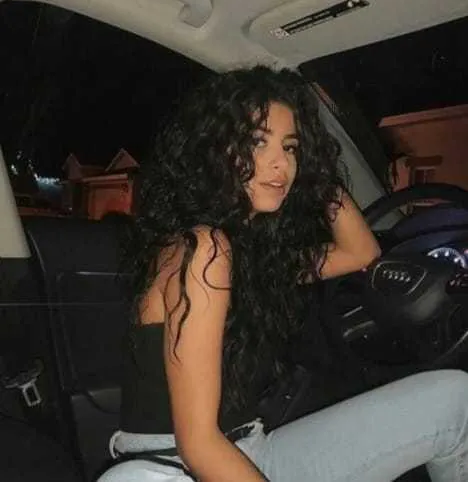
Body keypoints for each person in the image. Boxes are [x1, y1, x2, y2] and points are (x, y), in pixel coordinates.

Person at [98, 66, 468, 482]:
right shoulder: (203, 249)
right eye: (258, 142)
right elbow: (197, 445)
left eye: (290, 148)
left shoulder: (255, 252)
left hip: (251, 451)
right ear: (214, 150)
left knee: (455, 400)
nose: (281, 164)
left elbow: (361, 252)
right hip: (167, 468)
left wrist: (315, 176)